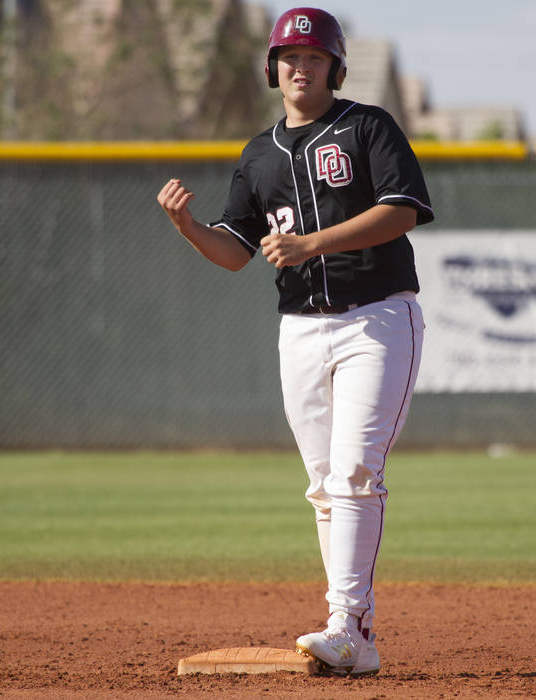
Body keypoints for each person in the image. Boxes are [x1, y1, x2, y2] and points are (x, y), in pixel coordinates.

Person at [156, 6, 433, 677]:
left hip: (377, 320)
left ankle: (349, 627)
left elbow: (403, 210)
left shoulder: (367, 126)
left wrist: (313, 243)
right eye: (288, 58)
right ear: (272, 69)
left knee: (356, 473)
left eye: (312, 58)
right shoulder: (258, 156)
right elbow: (236, 252)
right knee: (321, 485)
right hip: (301, 330)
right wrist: (192, 228)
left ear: (335, 68)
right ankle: (351, 629)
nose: (299, 68)